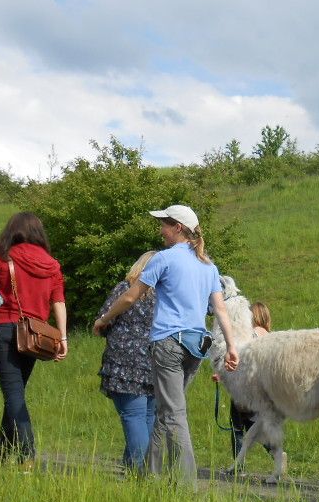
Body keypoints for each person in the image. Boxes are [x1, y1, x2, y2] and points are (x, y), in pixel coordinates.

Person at [93, 204, 239, 485]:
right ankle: (150, 477)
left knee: (174, 413)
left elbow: (129, 298)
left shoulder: (164, 259)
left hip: (169, 344)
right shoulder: (208, 265)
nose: (161, 230)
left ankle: (187, 486)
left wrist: (104, 319)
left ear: (178, 228)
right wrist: (231, 346)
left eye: (164, 224)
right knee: (165, 410)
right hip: (198, 346)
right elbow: (220, 310)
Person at [0, 211, 68, 466]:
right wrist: (63, 337)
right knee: (16, 393)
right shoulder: (52, 265)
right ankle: (1, 454)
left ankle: (28, 456)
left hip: (4, 329)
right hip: (34, 336)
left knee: (13, 395)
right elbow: (58, 301)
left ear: (11, 231)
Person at [97, 251, 158, 472]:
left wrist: (101, 323)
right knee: (148, 417)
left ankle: (137, 471)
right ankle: (140, 467)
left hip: (124, 363)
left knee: (133, 416)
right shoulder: (164, 295)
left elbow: (105, 319)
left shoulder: (125, 289)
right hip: (156, 362)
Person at [212, 300, 281, 464]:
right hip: (263, 388)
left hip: (243, 386)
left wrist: (222, 375)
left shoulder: (249, 335)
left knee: (237, 426)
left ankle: (238, 466)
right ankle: (275, 451)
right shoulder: (270, 336)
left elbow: (240, 359)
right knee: (253, 423)